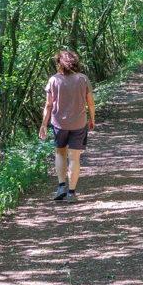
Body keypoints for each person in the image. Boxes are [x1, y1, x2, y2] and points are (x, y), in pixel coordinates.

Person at [41, 49, 95, 203]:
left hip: (59, 123)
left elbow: (48, 105)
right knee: (74, 158)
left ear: (60, 64)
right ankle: (72, 193)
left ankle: (61, 186)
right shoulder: (83, 79)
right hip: (79, 123)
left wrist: (44, 124)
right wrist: (92, 119)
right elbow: (90, 102)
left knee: (60, 154)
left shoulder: (53, 80)